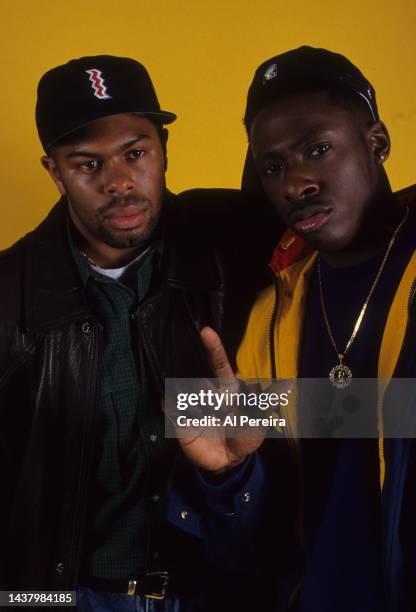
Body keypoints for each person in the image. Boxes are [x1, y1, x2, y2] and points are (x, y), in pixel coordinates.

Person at [0, 55, 278, 611]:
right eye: (87, 164)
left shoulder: (235, 240)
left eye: (136, 152)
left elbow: (346, 214)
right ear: (54, 172)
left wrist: (252, 443)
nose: (119, 183)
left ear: (165, 150)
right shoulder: (8, 294)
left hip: (214, 593)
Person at [176, 47, 416, 611]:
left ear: (376, 142)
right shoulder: (270, 313)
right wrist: (227, 477)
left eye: (318, 149)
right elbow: (257, 523)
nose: (296, 183)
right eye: (274, 167)